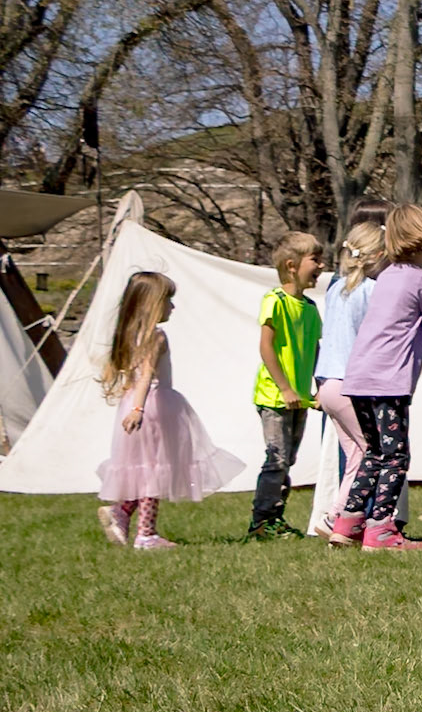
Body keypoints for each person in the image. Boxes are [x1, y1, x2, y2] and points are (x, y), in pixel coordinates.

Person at [328, 205, 422, 552]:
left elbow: (407, 327)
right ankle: (382, 531)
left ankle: (347, 524)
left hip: (358, 379)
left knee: (373, 453)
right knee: (396, 456)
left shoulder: (386, 277)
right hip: (388, 382)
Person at [96, 272, 242, 549]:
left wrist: (134, 405)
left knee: (145, 469)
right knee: (154, 471)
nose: (172, 307)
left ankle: (123, 511)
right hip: (153, 406)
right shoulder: (156, 337)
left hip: (138, 403)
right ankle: (146, 534)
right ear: (151, 304)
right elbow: (146, 374)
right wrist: (139, 408)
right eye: (167, 301)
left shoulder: (132, 335)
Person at [246, 231, 324, 541]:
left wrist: (315, 389)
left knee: (287, 460)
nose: (320, 265)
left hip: (300, 399)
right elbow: (266, 347)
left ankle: (276, 518)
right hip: (274, 396)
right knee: (276, 458)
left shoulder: (310, 308)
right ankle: (263, 521)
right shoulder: (274, 301)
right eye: (315, 260)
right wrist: (285, 388)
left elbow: (315, 350)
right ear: (292, 265)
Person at [312, 221, 387, 532]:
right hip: (349, 386)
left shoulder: (336, 290)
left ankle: (337, 516)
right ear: (380, 255)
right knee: (377, 450)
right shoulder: (372, 291)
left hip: (326, 384)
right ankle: (353, 519)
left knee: (357, 454)